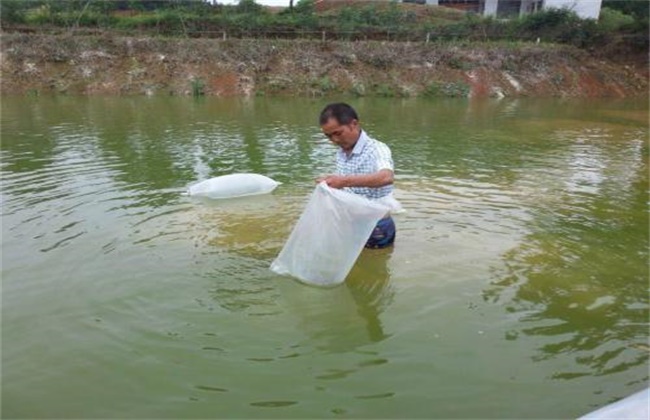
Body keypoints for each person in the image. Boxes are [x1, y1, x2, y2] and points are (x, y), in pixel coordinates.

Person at [317, 102, 396, 249]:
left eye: (338, 133)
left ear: (354, 124)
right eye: (329, 136)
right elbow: (347, 184)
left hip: (376, 225)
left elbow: (386, 177)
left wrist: (344, 181)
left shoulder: (377, 149)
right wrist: (330, 183)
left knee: (375, 268)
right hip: (351, 220)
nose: (334, 140)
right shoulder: (341, 152)